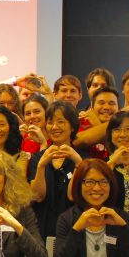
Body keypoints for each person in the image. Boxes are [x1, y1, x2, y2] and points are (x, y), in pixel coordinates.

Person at [27, 101, 83, 237]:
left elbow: (73, 196)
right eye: (50, 122)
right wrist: (41, 166)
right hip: (42, 229)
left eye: (61, 122)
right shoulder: (37, 158)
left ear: (72, 126)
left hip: (73, 228)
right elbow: (38, 196)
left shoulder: (83, 159)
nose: (55, 127)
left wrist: (79, 163)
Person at [75, 87, 121, 160]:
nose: (106, 107)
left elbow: (119, 155)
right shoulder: (81, 124)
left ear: (119, 110)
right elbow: (77, 141)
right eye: (101, 103)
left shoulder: (123, 128)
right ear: (92, 108)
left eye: (111, 103)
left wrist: (97, 124)